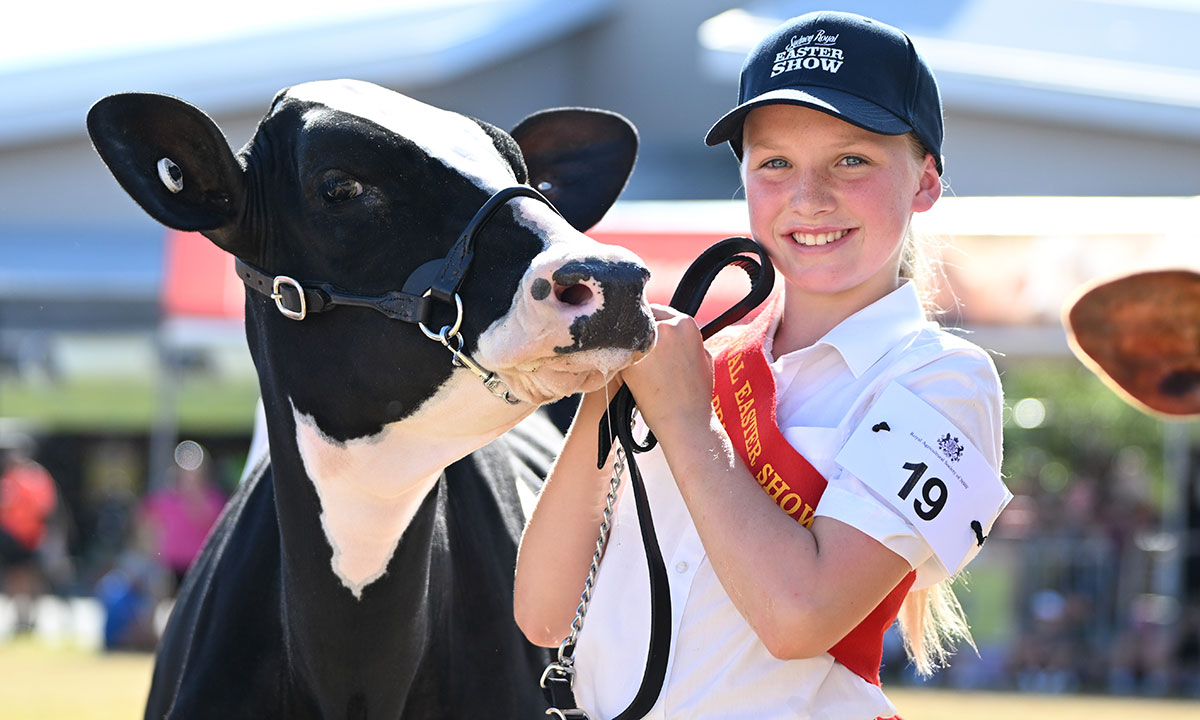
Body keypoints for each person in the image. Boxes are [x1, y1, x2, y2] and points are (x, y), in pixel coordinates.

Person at [514, 10, 1008, 719]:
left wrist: (685, 420)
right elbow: (543, 613)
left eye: (852, 160)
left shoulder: (943, 379)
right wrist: (610, 389)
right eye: (775, 163)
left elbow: (798, 619)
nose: (809, 197)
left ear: (925, 181)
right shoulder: (691, 359)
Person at [0, 434, 59, 632]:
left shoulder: (35, 476)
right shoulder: (9, 477)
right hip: (12, 539)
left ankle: (31, 619)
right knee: (16, 579)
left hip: (32, 538)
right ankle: (21, 618)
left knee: (32, 579)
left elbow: (46, 508)